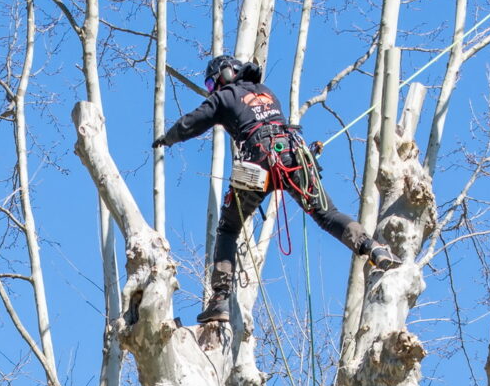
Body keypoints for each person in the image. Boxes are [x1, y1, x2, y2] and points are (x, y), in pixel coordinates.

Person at [153, 55, 401, 323]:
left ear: (225, 74)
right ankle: (372, 246)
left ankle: (221, 298)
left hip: (256, 163)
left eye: (213, 84)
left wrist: (168, 138)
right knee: (327, 214)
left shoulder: (224, 97)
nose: (215, 89)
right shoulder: (267, 92)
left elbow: (192, 122)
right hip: (294, 157)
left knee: (228, 228)